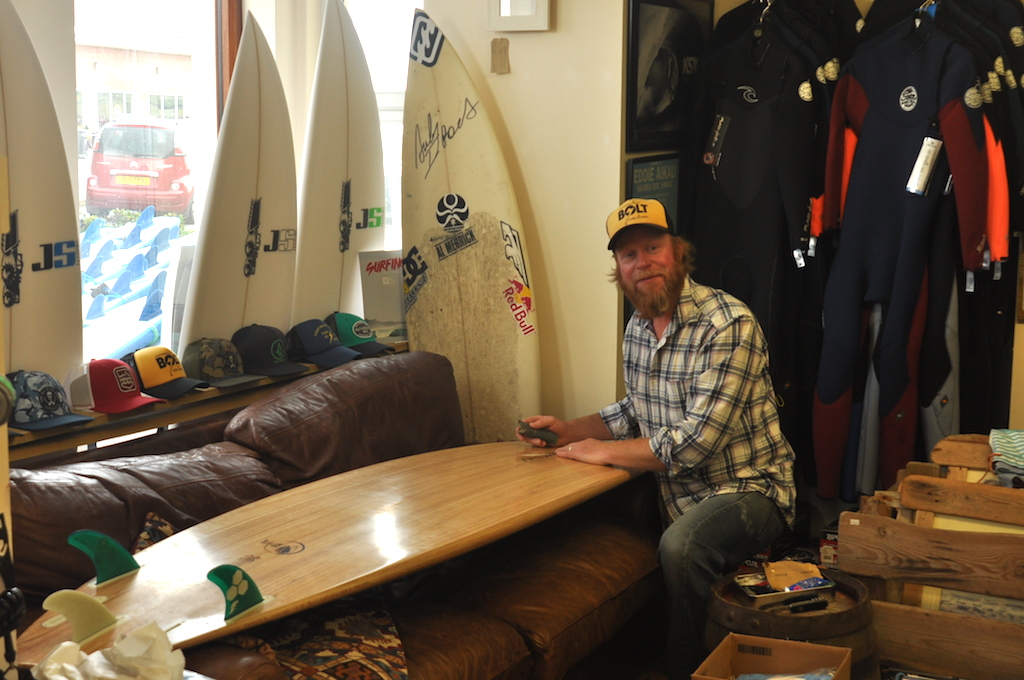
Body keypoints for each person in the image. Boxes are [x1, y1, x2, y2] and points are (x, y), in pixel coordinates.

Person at [518, 197, 796, 678]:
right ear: (619, 270)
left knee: (682, 547)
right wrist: (568, 430)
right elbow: (634, 412)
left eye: (652, 247)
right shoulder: (637, 329)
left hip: (752, 490)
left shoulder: (728, 324)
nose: (642, 263)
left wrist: (601, 452)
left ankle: (684, 671)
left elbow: (693, 444)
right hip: (678, 497)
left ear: (678, 252)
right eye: (629, 255)